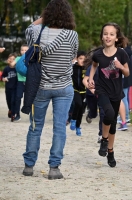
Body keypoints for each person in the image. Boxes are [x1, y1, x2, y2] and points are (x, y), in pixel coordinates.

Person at [22, 0, 78, 180]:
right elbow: (72, 57)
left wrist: (43, 18)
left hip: (40, 87)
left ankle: (29, 166)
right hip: (63, 87)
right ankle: (54, 168)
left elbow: (29, 28)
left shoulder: (36, 32)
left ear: (47, 14)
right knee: (60, 128)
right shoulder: (72, 35)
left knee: (35, 126)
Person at [88, 22, 129, 168]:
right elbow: (93, 65)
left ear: (116, 38)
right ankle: (104, 141)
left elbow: (127, 72)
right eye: (105, 34)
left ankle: (110, 151)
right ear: (102, 36)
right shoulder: (98, 54)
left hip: (116, 92)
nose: (108, 36)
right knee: (109, 113)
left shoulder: (121, 53)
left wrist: (120, 67)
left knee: (112, 125)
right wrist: (91, 78)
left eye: (111, 34)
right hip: (102, 89)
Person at [82, 48, 105, 143]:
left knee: (103, 113)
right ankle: (90, 115)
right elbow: (85, 80)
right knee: (94, 113)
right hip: (91, 94)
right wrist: (92, 90)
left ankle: (101, 135)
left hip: (102, 94)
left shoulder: (106, 67)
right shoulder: (91, 67)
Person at [117, 43, 132, 131]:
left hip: (123, 78)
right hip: (128, 78)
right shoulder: (128, 52)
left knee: (122, 98)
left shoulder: (121, 52)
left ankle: (124, 117)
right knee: (125, 98)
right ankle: (124, 116)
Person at [69, 51, 87, 136]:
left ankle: (78, 126)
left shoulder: (87, 69)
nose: (82, 60)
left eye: (84, 59)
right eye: (80, 58)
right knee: (78, 104)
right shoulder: (72, 68)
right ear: (77, 59)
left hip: (85, 92)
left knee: (81, 110)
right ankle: (73, 119)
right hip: (75, 90)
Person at [13, 44, 29, 122]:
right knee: (18, 98)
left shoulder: (31, 58)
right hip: (20, 82)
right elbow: (12, 64)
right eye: (22, 50)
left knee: (29, 99)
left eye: (26, 50)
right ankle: (17, 114)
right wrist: (15, 63)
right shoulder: (18, 58)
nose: (24, 51)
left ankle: (32, 115)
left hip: (29, 82)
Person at [2, 53, 17, 121]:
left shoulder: (17, 69)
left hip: (15, 87)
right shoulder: (6, 69)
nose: (11, 60)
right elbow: (2, 76)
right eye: (10, 59)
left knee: (13, 101)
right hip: (8, 88)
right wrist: (3, 78)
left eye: (13, 59)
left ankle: (13, 115)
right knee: (9, 101)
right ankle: (10, 109)